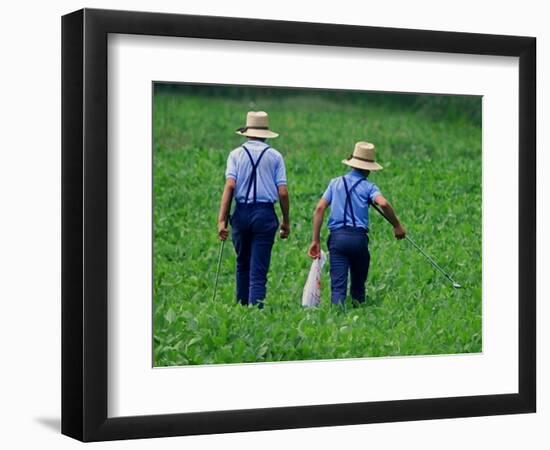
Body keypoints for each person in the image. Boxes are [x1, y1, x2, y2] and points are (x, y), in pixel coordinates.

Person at [308, 141, 406, 305]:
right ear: (369, 168)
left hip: (337, 239)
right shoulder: (369, 187)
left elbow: (319, 208)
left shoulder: (335, 183)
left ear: (352, 164)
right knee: (358, 286)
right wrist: (397, 225)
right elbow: (383, 203)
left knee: (338, 287)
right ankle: (358, 311)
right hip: (358, 239)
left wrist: (315, 240)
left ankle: (337, 319)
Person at [217, 111, 290, 308]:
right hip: (265, 214)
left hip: (241, 213)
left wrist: (221, 220)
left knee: (242, 264)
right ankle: (255, 313)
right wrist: (285, 221)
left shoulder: (235, 155)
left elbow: (230, 186)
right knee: (258, 271)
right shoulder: (275, 156)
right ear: (265, 134)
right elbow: (282, 192)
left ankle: (241, 309)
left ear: (247, 133)